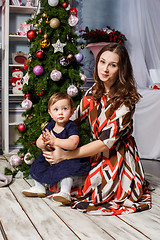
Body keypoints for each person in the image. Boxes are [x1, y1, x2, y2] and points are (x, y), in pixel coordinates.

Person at [43, 43, 151, 215]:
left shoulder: (125, 102)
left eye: (113, 65)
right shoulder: (93, 92)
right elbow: (72, 120)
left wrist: (66, 155)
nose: (105, 69)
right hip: (94, 152)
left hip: (118, 155)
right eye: (102, 62)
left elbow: (104, 143)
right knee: (58, 180)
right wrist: (51, 139)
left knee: (98, 192)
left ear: (121, 69)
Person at [22, 92, 91, 204]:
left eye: (64, 109)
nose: (60, 113)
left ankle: (65, 192)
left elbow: (73, 143)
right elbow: (39, 142)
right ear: (50, 112)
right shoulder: (50, 126)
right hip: (50, 158)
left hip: (67, 158)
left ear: (72, 111)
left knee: (66, 172)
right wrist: (42, 142)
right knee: (38, 164)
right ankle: (39, 187)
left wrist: (55, 141)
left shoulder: (71, 126)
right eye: (56, 110)